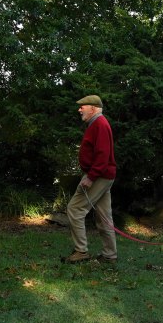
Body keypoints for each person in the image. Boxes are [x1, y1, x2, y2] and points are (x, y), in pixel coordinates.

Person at [64, 95, 118, 264]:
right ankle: (110, 255)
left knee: (75, 209)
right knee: (104, 217)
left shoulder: (100, 124)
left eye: (83, 106)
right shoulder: (96, 124)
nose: (79, 109)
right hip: (103, 175)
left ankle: (81, 252)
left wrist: (91, 177)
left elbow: (103, 154)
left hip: (98, 176)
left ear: (93, 108)